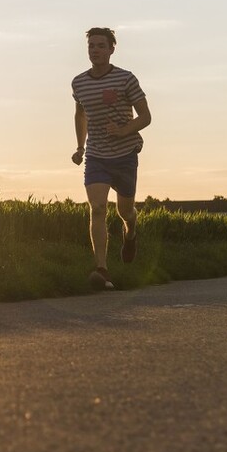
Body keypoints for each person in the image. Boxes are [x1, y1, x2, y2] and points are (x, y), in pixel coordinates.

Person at [71, 27, 152, 290]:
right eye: (91, 46)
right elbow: (80, 115)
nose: (95, 50)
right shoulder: (79, 82)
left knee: (124, 211)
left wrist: (122, 130)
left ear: (111, 49)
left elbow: (145, 117)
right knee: (97, 208)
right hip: (96, 156)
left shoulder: (126, 79)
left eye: (100, 46)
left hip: (125, 154)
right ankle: (102, 270)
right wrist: (80, 147)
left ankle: (131, 233)